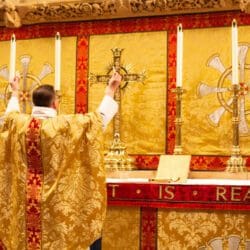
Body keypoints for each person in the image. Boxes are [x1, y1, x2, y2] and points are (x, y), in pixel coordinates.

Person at [0, 72, 121, 250]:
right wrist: (110, 89)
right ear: (55, 103)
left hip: (27, 205)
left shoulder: (18, 124)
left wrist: (15, 91)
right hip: (58, 207)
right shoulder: (65, 126)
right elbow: (98, 120)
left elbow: (9, 115)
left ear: (34, 103)